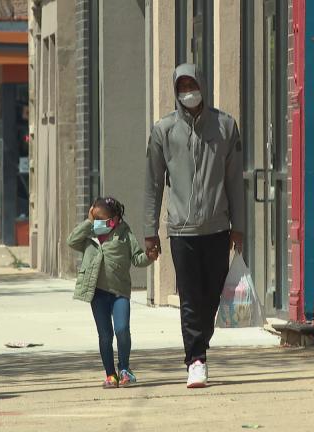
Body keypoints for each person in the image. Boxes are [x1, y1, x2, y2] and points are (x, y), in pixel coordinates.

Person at [144, 63, 245, 388]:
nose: (188, 90)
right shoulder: (164, 130)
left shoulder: (225, 126)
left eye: (192, 83)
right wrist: (150, 231)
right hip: (181, 230)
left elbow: (234, 182)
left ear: (202, 84)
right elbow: (153, 184)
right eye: (182, 85)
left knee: (212, 296)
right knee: (190, 296)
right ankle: (196, 360)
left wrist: (238, 225)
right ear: (175, 90)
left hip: (217, 227)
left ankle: (200, 345)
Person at [67, 196, 153, 389]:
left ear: (113, 219)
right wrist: (89, 222)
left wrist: (149, 256)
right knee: (105, 335)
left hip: (119, 292)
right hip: (97, 294)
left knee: (122, 330)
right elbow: (71, 240)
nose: (98, 223)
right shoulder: (89, 237)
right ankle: (110, 374)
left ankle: (124, 369)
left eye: (101, 219)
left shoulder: (124, 234)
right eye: (94, 218)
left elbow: (137, 258)